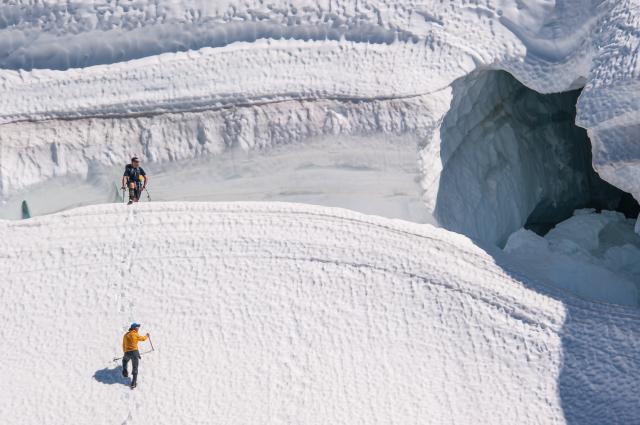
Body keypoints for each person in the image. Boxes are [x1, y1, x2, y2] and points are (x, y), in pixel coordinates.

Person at [122, 323, 150, 389]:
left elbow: (123, 344)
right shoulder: (135, 334)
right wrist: (147, 336)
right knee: (135, 367)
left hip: (127, 352)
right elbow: (143, 339)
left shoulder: (126, 335)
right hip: (134, 352)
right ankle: (133, 383)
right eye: (137, 328)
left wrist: (125, 352)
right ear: (134, 328)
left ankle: (125, 371)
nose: (138, 329)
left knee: (124, 360)